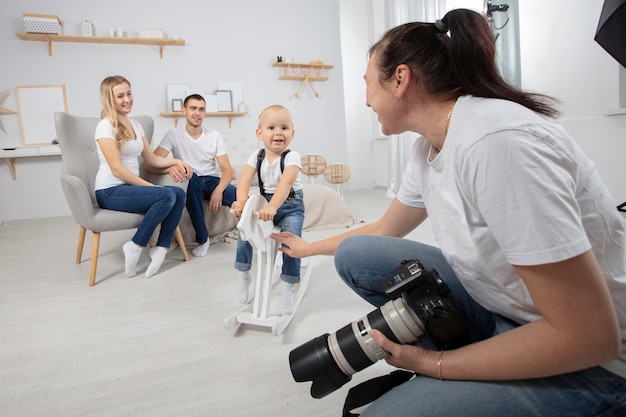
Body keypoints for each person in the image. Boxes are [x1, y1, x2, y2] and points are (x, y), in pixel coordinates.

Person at [272, 9, 626, 417]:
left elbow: (588, 337)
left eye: (368, 84)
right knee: (357, 254)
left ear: (400, 79)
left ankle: (477, 365)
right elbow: (386, 228)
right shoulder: (429, 146)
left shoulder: (497, 146)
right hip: (511, 311)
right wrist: (308, 247)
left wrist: (432, 365)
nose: (366, 99)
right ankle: (482, 356)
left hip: (594, 361)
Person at [94, 75, 192, 278]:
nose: (127, 99)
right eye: (120, 96)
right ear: (109, 99)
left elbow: (152, 159)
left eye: (128, 93)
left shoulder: (136, 126)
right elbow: (117, 170)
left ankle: (161, 247)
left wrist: (176, 162)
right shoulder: (105, 126)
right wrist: (152, 188)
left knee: (179, 195)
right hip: (109, 190)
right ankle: (135, 244)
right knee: (166, 195)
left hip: (130, 190)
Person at [231, 104, 304, 314]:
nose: (278, 132)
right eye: (271, 128)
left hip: (290, 206)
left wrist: (273, 206)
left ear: (292, 133)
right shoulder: (257, 156)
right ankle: (243, 271)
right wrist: (242, 202)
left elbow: (286, 183)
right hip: (266, 205)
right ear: (260, 133)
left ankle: (288, 287)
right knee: (244, 227)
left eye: (284, 127)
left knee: (291, 240)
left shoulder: (292, 157)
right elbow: (244, 180)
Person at [149, 94, 237, 257]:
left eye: (202, 109)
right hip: (189, 180)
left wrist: (219, 190)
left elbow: (227, 170)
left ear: (205, 113)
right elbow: (151, 163)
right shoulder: (173, 134)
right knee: (192, 178)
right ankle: (203, 239)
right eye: (193, 108)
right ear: (184, 111)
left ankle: (259, 236)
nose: (197, 113)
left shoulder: (214, 135)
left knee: (240, 196)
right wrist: (170, 167)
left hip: (212, 181)